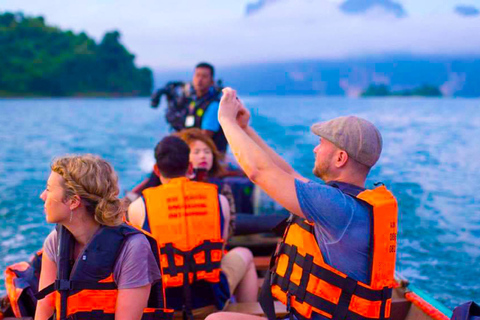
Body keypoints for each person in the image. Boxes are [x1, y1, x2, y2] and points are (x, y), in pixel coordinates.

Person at [206, 88, 398, 320]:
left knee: (216, 319)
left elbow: (259, 172)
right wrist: (245, 129)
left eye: (321, 143)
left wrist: (225, 120)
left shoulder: (335, 207)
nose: (315, 149)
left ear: (340, 158)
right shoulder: (347, 202)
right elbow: (287, 172)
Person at [127, 136, 258, 320]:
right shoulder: (219, 200)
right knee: (245, 254)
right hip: (209, 303)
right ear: (189, 168)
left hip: (164, 308)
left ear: (156, 170)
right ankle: (243, 313)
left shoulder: (139, 206)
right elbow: (220, 249)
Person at [35, 155, 170, 320]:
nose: (42, 196)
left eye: (48, 189)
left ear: (73, 201)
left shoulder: (132, 247)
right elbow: (43, 313)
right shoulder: (55, 241)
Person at [151, 62, 228, 154]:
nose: (200, 80)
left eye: (204, 76)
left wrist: (177, 137)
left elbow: (205, 136)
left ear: (212, 81)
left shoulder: (214, 105)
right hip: (193, 149)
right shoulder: (192, 101)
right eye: (197, 75)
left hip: (209, 154)